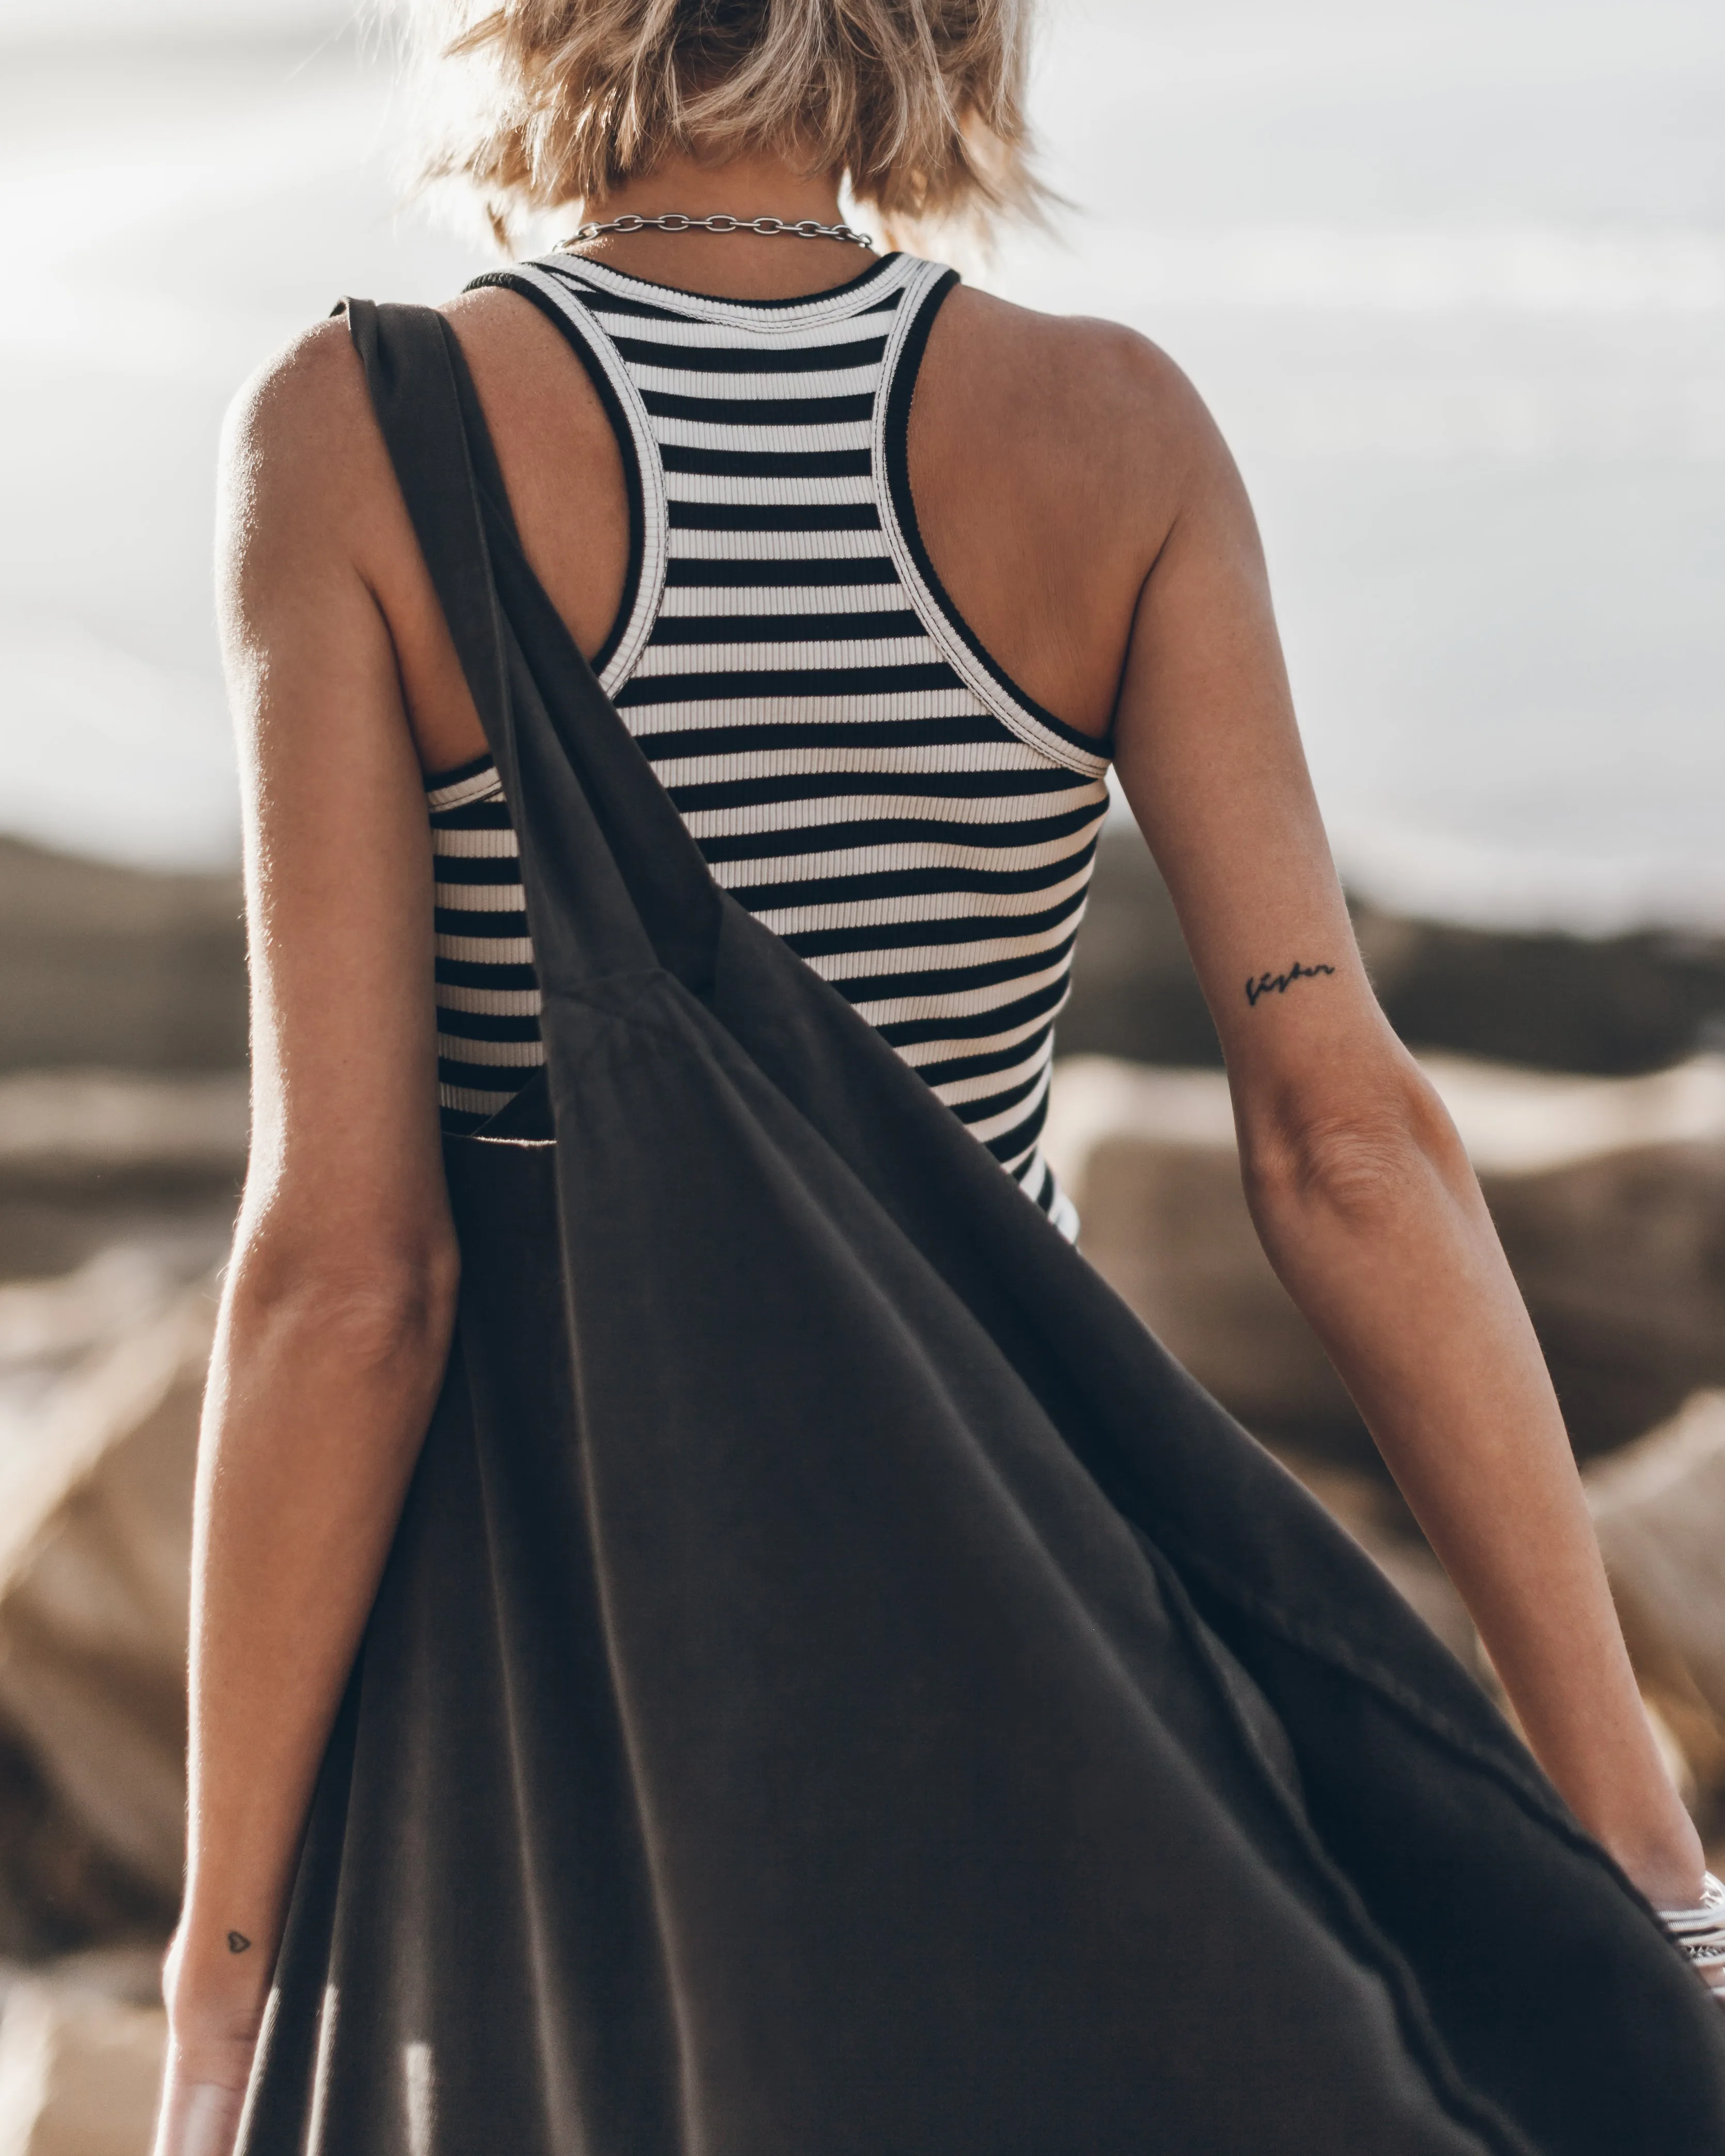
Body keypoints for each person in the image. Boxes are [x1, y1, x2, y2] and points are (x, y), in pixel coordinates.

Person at [153, 2, 1722, 2150]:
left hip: (561, 1653)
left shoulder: (360, 434)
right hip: (1026, 1616)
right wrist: (1633, 1835)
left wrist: (222, 1965)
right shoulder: (1114, 433)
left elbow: (352, 1277)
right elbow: (1346, 1137)